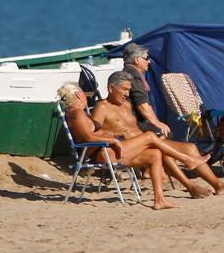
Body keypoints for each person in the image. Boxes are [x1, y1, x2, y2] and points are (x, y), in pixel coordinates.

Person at [57, 82, 213, 209]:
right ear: (78, 95)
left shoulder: (78, 113)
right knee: (150, 136)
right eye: (84, 94)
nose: (85, 97)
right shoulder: (76, 113)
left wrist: (110, 136)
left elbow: (92, 133)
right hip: (104, 153)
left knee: (155, 154)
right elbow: (87, 137)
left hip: (106, 149)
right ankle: (188, 160)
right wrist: (112, 140)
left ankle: (159, 199)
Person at [92, 72, 224, 195]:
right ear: (111, 88)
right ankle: (190, 186)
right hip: (127, 149)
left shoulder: (126, 105)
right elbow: (93, 131)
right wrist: (110, 137)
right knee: (160, 151)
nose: (127, 93)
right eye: (124, 89)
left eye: (128, 90)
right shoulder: (102, 107)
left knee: (190, 147)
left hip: (144, 141)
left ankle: (218, 185)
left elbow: (132, 127)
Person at [122, 43, 171, 137]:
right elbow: (142, 105)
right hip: (134, 122)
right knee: (164, 133)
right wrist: (157, 123)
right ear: (136, 59)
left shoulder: (127, 72)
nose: (149, 62)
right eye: (146, 58)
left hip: (129, 120)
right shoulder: (133, 75)